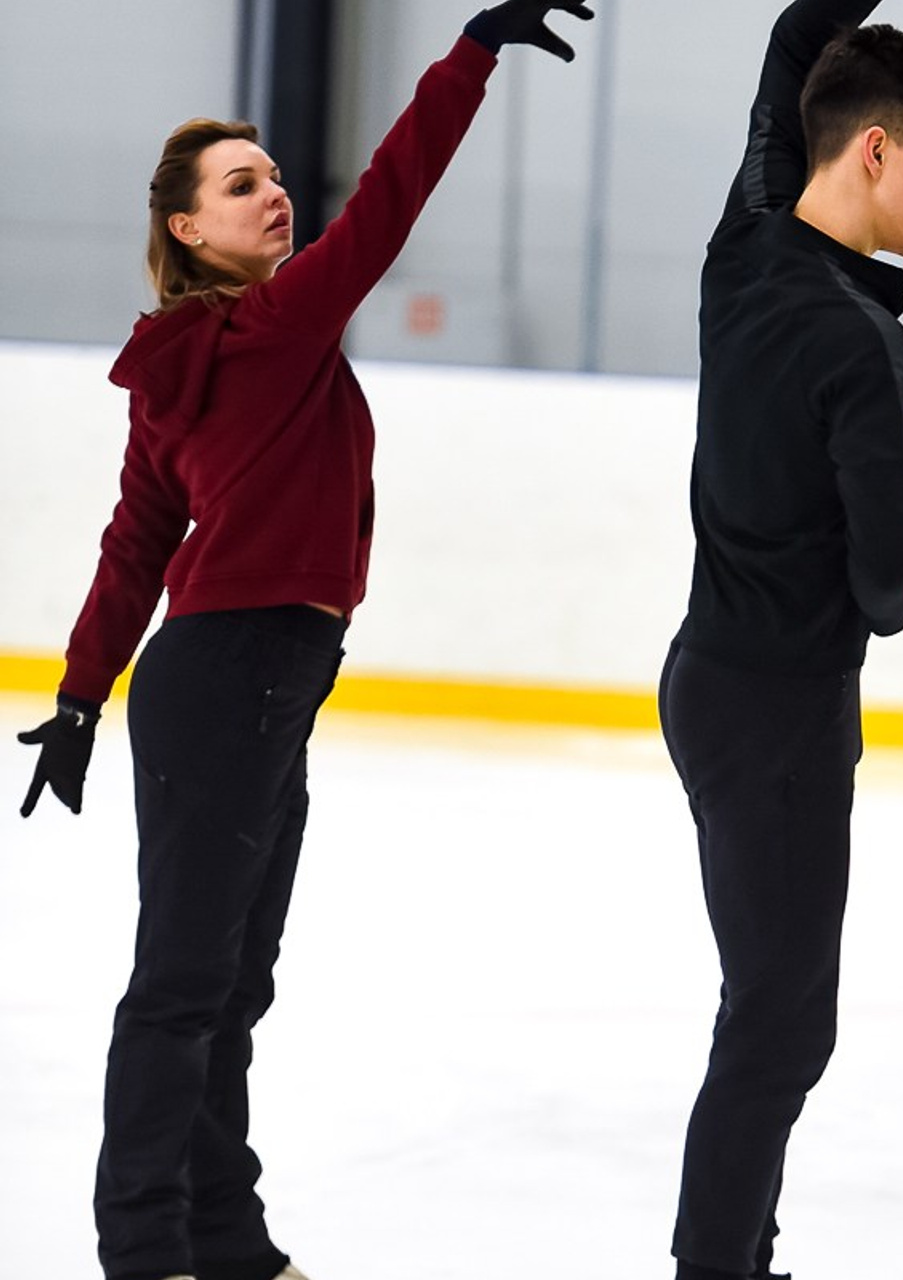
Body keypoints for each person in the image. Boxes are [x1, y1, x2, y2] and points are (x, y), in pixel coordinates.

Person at [15, 5, 591, 1279]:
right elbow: (391, 195)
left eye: (274, 175)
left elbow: (134, 544)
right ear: (187, 228)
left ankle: (222, 1236)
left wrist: (79, 695)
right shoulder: (268, 331)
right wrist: (470, 57)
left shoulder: (189, 358)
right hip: (233, 676)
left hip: (251, 683)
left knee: (228, 985)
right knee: (184, 983)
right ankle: (144, 1245)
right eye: (242, 185)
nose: (274, 195)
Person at [658, 3, 903, 1278]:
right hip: (782, 712)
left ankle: (740, 1251)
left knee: (768, 1011)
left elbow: (794, 46)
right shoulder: (865, 346)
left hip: (706, 681)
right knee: (779, 1025)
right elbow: (878, 591)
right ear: (871, 153)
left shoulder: (739, 250)